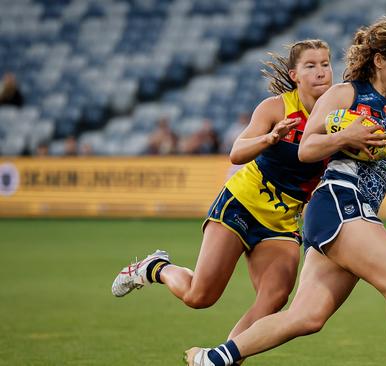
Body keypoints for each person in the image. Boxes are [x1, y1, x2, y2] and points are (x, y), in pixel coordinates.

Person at [184, 17, 386, 366]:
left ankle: (213, 358)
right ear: (379, 60)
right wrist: (345, 137)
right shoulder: (344, 94)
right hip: (339, 201)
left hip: (356, 211)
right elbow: (307, 149)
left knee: (307, 317)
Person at [111, 39, 333, 341]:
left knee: (275, 298)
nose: (321, 72)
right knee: (199, 296)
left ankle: (222, 360)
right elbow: (237, 152)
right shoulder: (276, 107)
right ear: (295, 75)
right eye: (311, 65)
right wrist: (269, 138)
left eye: (325, 64)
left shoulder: (337, 114)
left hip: (282, 221)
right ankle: (155, 267)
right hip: (241, 204)